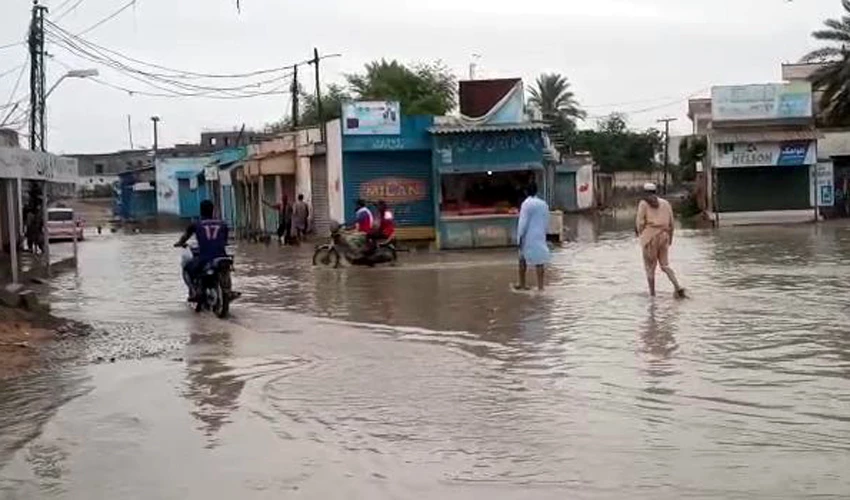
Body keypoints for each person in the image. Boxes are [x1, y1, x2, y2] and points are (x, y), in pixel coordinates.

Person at [636, 183, 686, 298]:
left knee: (650, 268)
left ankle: (652, 295)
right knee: (665, 265)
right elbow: (672, 223)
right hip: (664, 236)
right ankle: (678, 287)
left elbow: (639, 223)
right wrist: (670, 239)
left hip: (650, 238)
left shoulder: (643, 203)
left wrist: (642, 235)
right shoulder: (665, 203)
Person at [174, 199, 229, 300]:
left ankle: (194, 291)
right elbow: (225, 241)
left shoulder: (196, 224)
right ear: (213, 210)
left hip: (205, 257)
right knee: (227, 268)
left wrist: (180, 243)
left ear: (201, 211)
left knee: (187, 267)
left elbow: (184, 237)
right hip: (222, 256)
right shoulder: (223, 224)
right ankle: (228, 290)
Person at [515, 183, 550, 291]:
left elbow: (523, 223)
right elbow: (546, 220)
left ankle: (522, 284)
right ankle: (540, 286)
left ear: (526, 192)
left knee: (522, 259)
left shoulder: (526, 204)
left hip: (528, 236)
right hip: (540, 235)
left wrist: (519, 237)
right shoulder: (543, 204)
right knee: (540, 261)